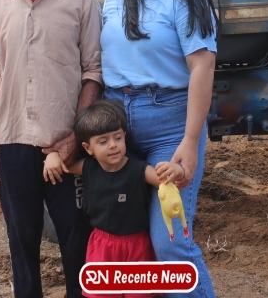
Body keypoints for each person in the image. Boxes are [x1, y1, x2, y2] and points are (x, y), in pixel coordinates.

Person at [0, 0, 103, 298]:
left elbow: (93, 72)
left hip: (63, 145)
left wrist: (76, 137)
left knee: (76, 239)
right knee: (21, 239)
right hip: (13, 142)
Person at [100, 0, 218, 298]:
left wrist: (190, 140)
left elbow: (202, 66)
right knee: (121, 235)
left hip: (169, 125)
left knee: (170, 242)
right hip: (117, 125)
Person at [44, 99, 185, 298]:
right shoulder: (88, 168)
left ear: (124, 137)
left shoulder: (140, 170)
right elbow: (63, 167)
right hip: (102, 246)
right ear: (88, 148)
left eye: (117, 138)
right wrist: (53, 156)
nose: (113, 145)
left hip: (137, 248)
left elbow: (167, 182)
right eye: (103, 141)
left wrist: (177, 171)